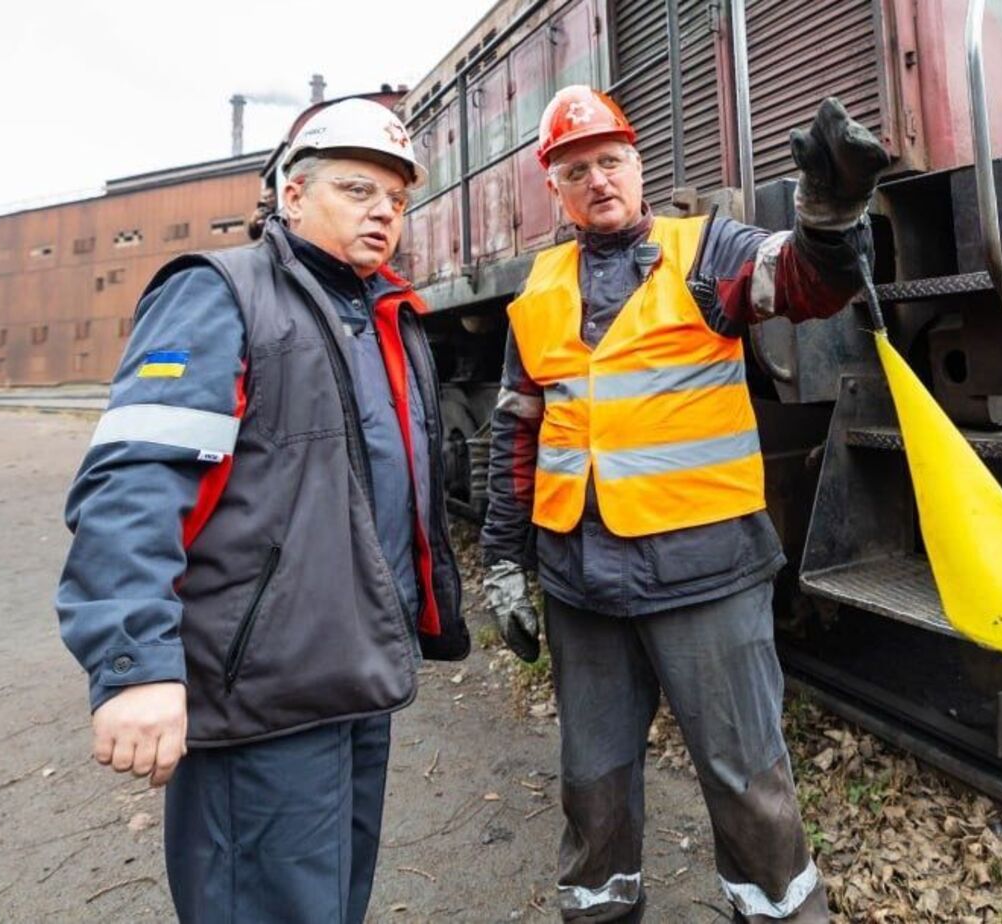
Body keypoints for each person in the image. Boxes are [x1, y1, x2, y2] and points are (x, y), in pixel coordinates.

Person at [54, 95, 468, 924]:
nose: (384, 211)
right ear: (291, 194)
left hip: (353, 681)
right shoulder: (220, 296)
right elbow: (137, 478)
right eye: (358, 190)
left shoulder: (385, 319)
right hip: (261, 696)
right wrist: (134, 663)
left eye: (396, 198)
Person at [480, 85, 890, 922]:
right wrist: (502, 560)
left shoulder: (705, 253)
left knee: (749, 786)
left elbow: (803, 283)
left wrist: (831, 215)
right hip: (580, 586)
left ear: (638, 167)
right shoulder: (539, 290)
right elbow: (517, 435)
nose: (597, 181)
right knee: (592, 790)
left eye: (611, 162)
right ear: (554, 189)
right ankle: (599, 910)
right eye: (575, 170)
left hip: (706, 576)